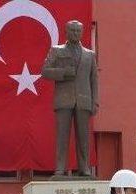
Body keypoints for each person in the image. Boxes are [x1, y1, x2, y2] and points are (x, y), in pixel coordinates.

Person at [42, 20, 99, 176]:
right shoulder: (57, 50)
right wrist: (63, 72)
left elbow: (94, 79)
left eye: (78, 31)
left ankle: (84, 168)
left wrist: (95, 101)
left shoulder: (89, 54)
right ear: (66, 32)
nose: (75, 33)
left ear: (81, 32)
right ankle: (60, 167)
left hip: (84, 100)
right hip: (64, 99)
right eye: (72, 30)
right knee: (62, 136)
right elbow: (45, 71)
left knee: (83, 137)